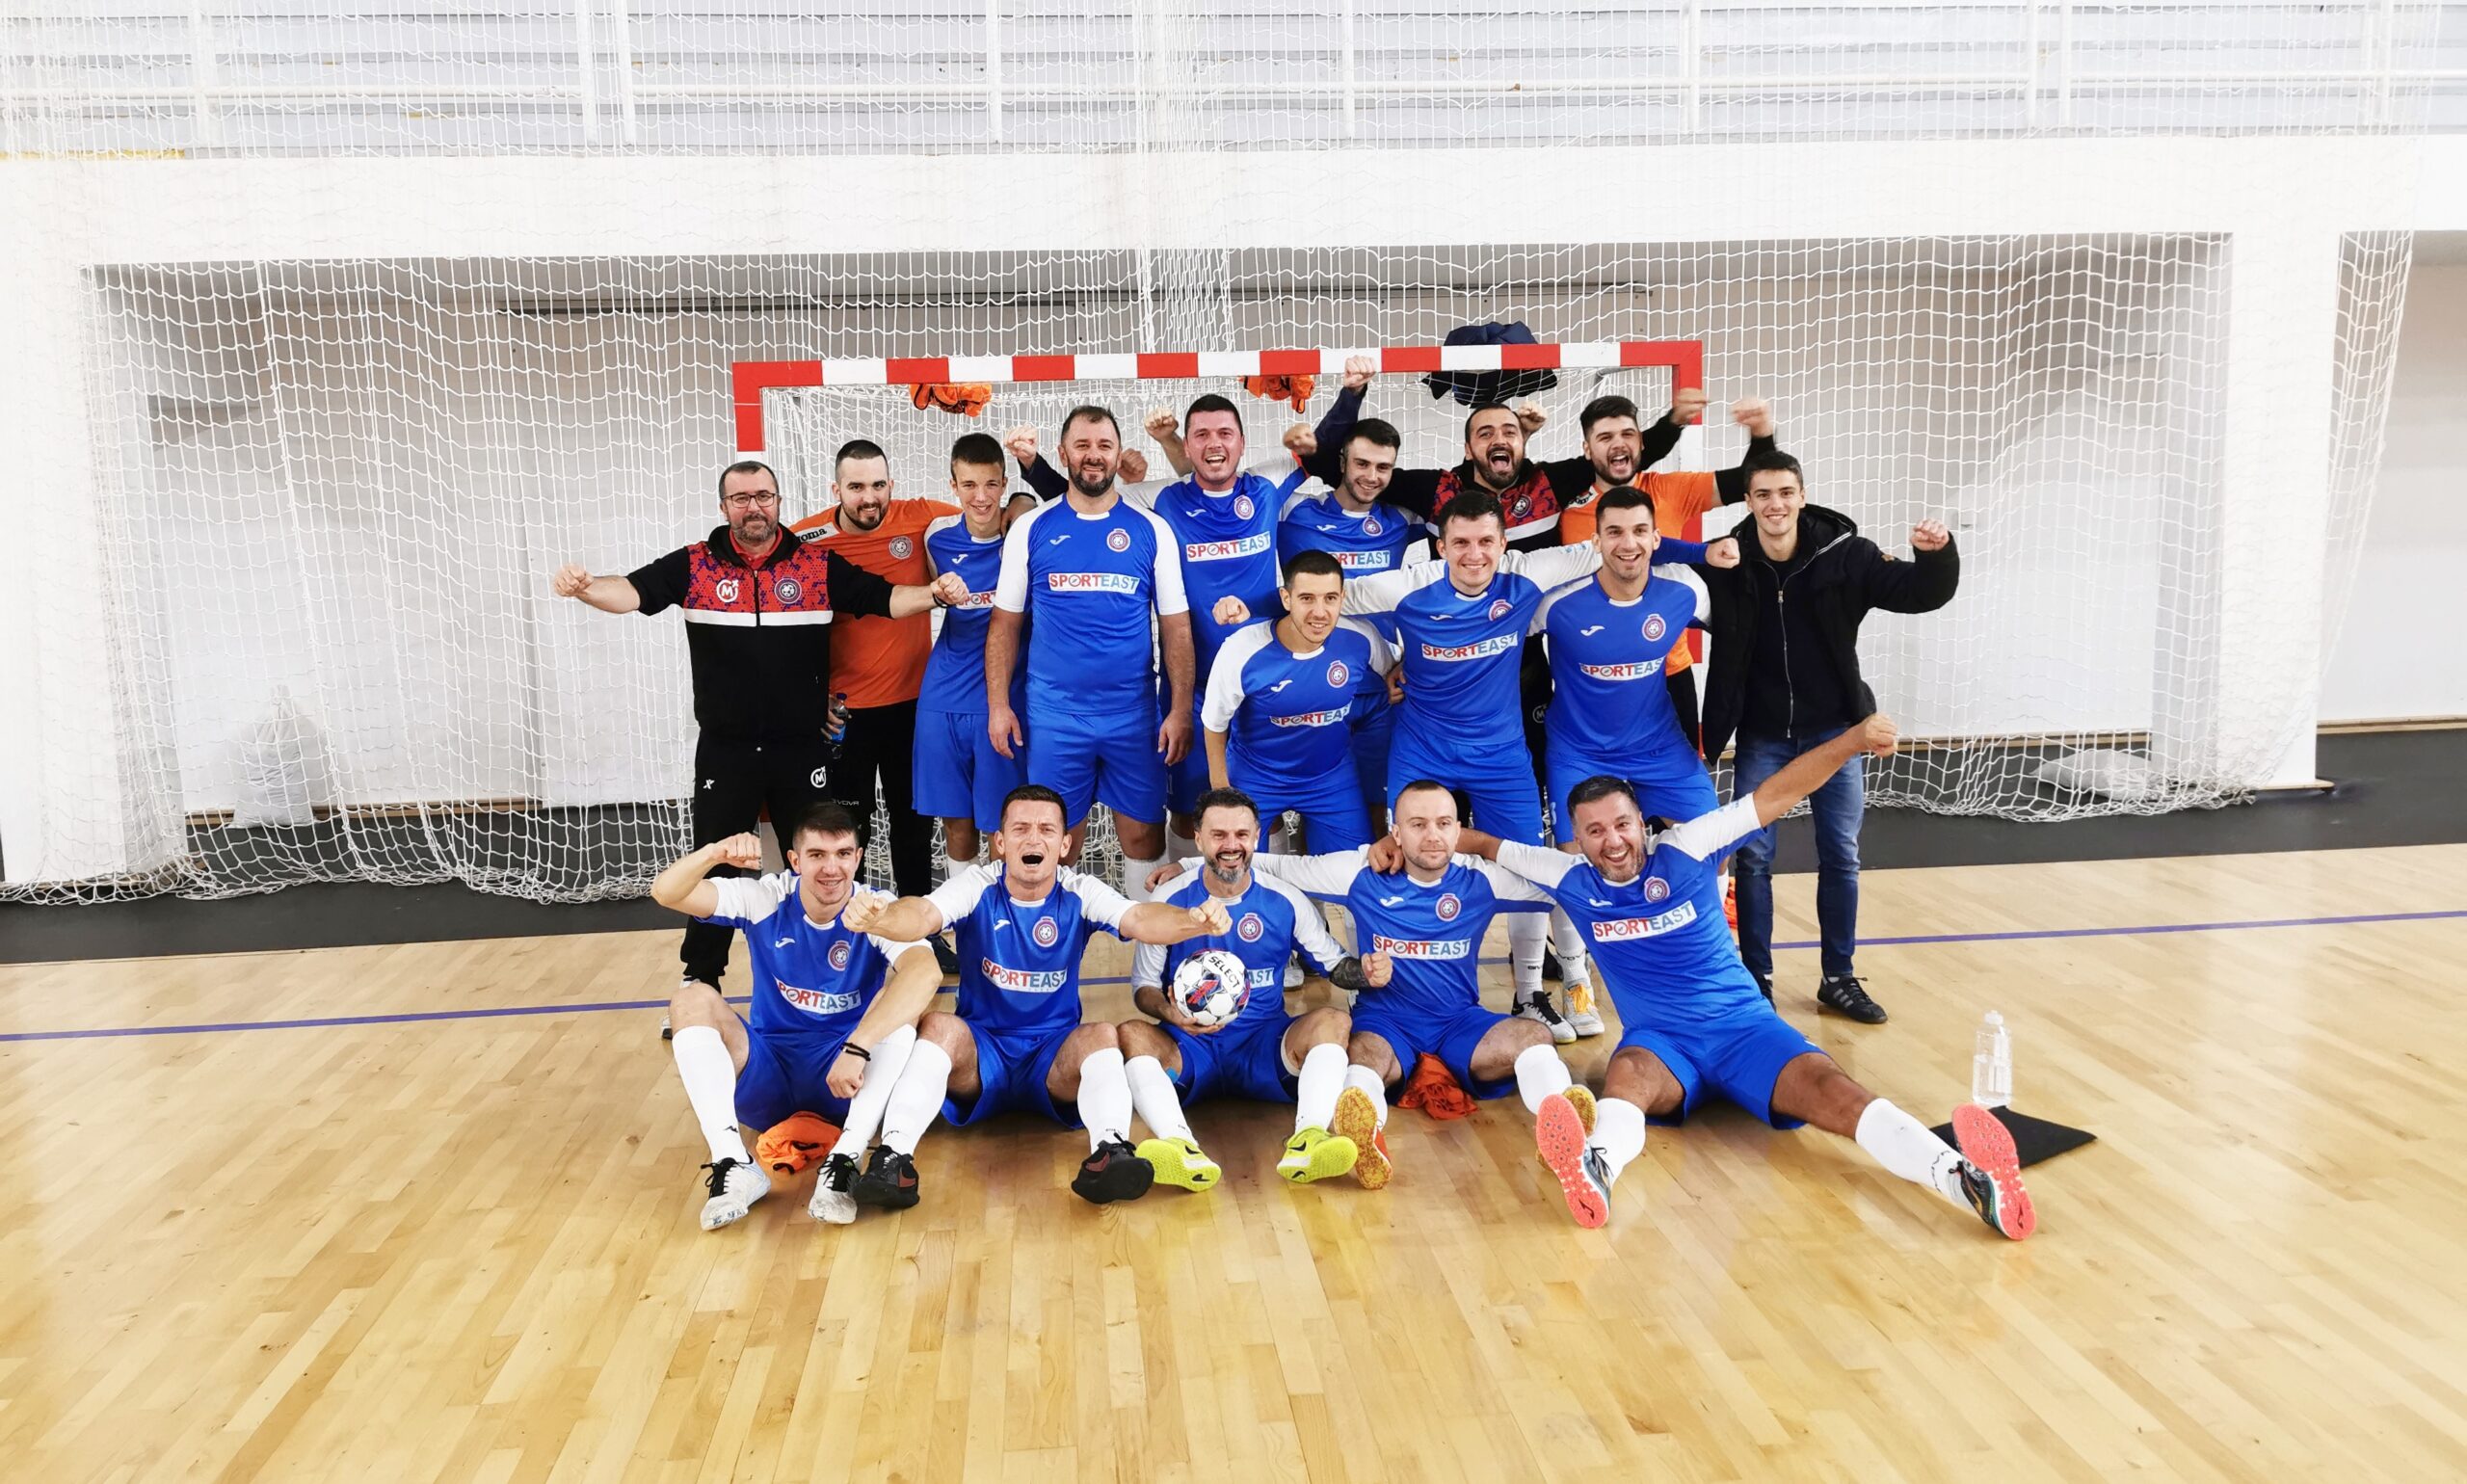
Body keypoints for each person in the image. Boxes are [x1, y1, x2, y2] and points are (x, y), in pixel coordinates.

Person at [1437, 718, 2035, 1241]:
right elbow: (1477, 841)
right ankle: (1595, 1168)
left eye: (1621, 824)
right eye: (1594, 831)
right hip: (1662, 1045)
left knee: (1833, 1089)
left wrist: (1852, 740)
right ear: (1577, 839)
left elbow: (1779, 793)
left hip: (1744, 1030)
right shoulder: (1567, 875)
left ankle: (1964, 1180)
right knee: (1626, 1077)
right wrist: (1399, 841)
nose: (1612, 841)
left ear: (1641, 821)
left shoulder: (1688, 846)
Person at [551, 460, 966, 999]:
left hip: (803, 750)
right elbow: (630, 592)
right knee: (716, 866)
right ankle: (701, 979)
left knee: (817, 862)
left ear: (778, 502)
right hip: (726, 752)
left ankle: (826, 972)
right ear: (724, 506)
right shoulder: (694, 565)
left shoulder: (815, 564)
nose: (754, 507)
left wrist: (935, 593)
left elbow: (884, 598)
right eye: (742, 498)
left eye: (763, 496)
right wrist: (585, 588)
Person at [1337, 492, 1727, 1041]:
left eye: (1486, 542)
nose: (1475, 555)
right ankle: (1381, 993)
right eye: (1461, 543)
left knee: (1534, 868)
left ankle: (1533, 993)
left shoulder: (1528, 575)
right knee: (1398, 860)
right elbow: (1324, 600)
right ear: (1440, 547)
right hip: (1423, 749)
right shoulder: (1402, 587)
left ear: (1505, 543)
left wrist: (1703, 553)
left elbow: (1616, 548)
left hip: (1501, 754)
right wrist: (1379, 661)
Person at [838, 784, 1234, 1206]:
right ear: (1000, 841)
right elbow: (921, 915)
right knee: (937, 1026)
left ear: (1064, 844)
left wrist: (1194, 920)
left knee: (1101, 1034)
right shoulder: (977, 885)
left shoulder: (1080, 890)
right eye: (1021, 828)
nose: (1033, 839)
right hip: (981, 1055)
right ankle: (894, 1158)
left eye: (1046, 829)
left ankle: (1111, 1151)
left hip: (1052, 1059)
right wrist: (881, 918)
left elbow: (1139, 918)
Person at [1697, 451, 1961, 1022]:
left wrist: (1936, 554)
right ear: (1749, 502)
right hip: (1762, 734)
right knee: (1754, 856)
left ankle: (1838, 978)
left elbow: (1921, 592)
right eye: (1763, 494)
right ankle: (1756, 981)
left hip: (1835, 731)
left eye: (1785, 493)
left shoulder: (1847, 555)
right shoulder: (1729, 561)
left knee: (1841, 854)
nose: (1775, 505)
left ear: (1802, 495)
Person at [1234, 779, 1579, 1191]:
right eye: (1418, 824)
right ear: (1395, 832)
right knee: (1361, 1056)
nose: (1432, 835)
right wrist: (1186, 868)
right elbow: (1276, 866)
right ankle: (1364, 1136)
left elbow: (1569, 878)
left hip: (1459, 1024)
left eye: (1443, 824)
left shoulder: (1482, 879)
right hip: (1385, 1024)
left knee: (1534, 1036)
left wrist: (1489, 845)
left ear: (1459, 830)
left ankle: (1566, 1133)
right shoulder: (1359, 873)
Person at [647, 802, 945, 1231]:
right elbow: (666, 892)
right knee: (691, 998)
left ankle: (846, 1160)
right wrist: (714, 853)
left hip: (845, 1078)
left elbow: (927, 972)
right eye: (817, 855)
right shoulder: (766, 897)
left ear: (858, 858)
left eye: (843, 854)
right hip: (768, 1073)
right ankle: (732, 1162)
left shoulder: (876, 908)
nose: (832, 868)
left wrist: (858, 1048)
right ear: (794, 860)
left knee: (903, 1002)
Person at [1526, 485, 1716, 1034]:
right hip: (1579, 749)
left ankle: (1695, 964)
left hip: (1659, 746)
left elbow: (1749, 623)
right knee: (1572, 859)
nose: (1627, 543)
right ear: (1597, 539)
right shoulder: (1559, 603)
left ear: (1657, 538)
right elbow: (1493, 631)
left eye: (1638, 531)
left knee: (1712, 843)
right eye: (1614, 532)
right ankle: (1577, 979)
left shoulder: (1686, 590)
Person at [984, 407, 1195, 897]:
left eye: (1104, 446)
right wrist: (998, 705)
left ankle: (1142, 946)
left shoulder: (1152, 529)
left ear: (1118, 454)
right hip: (1055, 718)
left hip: (1133, 717)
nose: (1093, 456)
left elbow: (1177, 628)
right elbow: (1004, 626)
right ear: (1063, 454)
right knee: (1057, 841)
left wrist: (1180, 709)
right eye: (1082, 446)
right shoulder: (1031, 527)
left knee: (1143, 838)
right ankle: (1055, 942)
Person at [1117, 787, 1372, 1186]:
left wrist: (1371, 970)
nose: (1230, 846)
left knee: (1334, 1021)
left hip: (1264, 1047)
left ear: (1256, 837)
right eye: (1218, 835)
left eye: (1241, 834)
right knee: (1131, 1034)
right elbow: (1144, 988)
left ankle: (1309, 1138)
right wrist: (1170, 1013)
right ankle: (1180, 1146)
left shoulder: (1285, 899)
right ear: (1198, 839)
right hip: (1190, 1047)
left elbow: (1336, 966)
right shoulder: (1169, 899)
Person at [788, 439, 969, 911]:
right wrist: (811, 699)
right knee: (847, 830)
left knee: (913, 826)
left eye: (877, 485)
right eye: (856, 487)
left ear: (892, 484)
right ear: (836, 490)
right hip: (843, 714)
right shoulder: (805, 541)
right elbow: (789, 632)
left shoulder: (922, 517)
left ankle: (915, 931)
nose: (868, 497)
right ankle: (850, 926)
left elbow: (991, 515)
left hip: (914, 707)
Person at [1556, 394, 1778, 752]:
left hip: (1669, 672)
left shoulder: (1670, 490)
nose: (1618, 444)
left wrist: (1761, 433)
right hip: (1592, 679)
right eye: (1605, 437)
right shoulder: (1567, 511)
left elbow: (1749, 483)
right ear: (1587, 449)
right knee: (1596, 784)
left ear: (1642, 443)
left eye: (1628, 434)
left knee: (1679, 780)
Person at [1275, 411, 1421, 834]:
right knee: (1311, 806)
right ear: (1341, 461)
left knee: (1377, 806)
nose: (1371, 476)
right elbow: (1224, 492)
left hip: (1381, 687)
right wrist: (1296, 445)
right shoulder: (1294, 512)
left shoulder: (1402, 518)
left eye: (1383, 467)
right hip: (1312, 684)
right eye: (1362, 463)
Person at [1201, 550, 1393, 854]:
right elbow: (1214, 723)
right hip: (1257, 774)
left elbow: (1392, 671)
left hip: (1330, 776)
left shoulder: (1361, 638)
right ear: (1286, 598)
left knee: (1354, 866)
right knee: (1235, 860)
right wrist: (1222, 792)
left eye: (1330, 598)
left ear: (1342, 598)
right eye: (1307, 599)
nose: (1320, 612)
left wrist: (1397, 681)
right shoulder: (1242, 650)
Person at [912, 433, 1030, 891]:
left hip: (1002, 700)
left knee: (1004, 823)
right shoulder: (936, 537)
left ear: (1004, 485)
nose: (981, 497)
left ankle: (1003, 913)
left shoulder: (1026, 531)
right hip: (942, 697)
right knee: (956, 822)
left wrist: (1024, 500)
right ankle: (963, 920)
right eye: (969, 485)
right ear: (953, 486)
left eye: (991, 484)